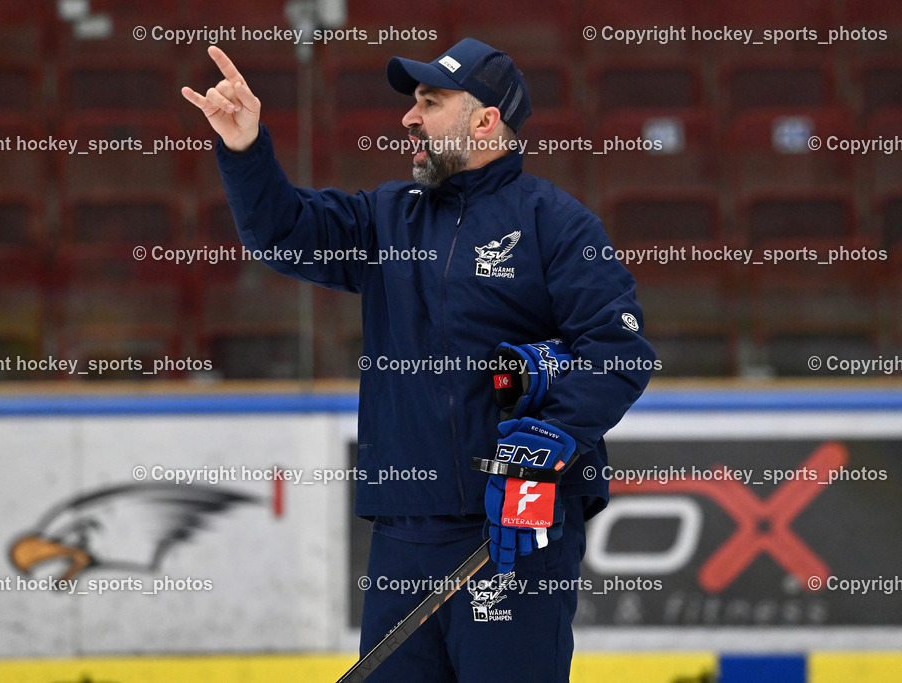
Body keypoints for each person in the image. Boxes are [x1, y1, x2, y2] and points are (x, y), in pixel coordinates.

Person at [183, 37, 654, 683]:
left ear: (486, 119)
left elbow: (618, 349)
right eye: (413, 102)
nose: (408, 117)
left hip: (513, 529)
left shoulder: (556, 224)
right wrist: (244, 148)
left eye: (431, 102)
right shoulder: (386, 220)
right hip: (407, 532)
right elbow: (283, 232)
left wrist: (553, 436)